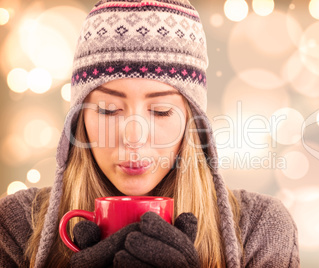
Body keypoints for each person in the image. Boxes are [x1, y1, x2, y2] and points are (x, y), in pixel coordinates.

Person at [0, 0, 300, 267]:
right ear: (79, 119)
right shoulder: (18, 224)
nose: (134, 136)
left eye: (161, 111)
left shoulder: (260, 228)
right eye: (107, 110)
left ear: (191, 121)